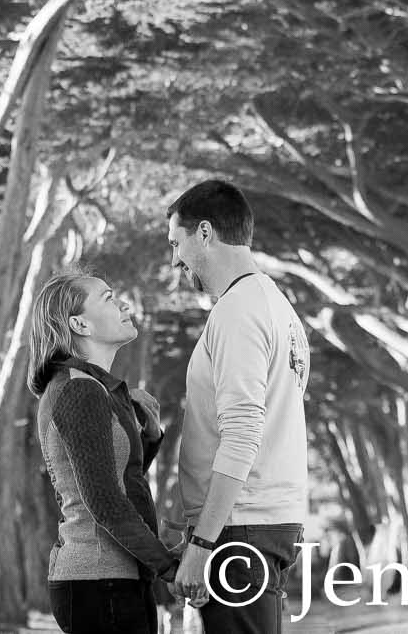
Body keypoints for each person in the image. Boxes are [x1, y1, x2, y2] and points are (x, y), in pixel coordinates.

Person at [163, 180, 309, 634]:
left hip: (238, 530)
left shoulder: (237, 312)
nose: (175, 260)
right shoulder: (279, 308)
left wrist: (203, 543)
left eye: (177, 243)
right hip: (263, 525)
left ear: (204, 233)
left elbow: (244, 434)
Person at [28, 270, 178, 634]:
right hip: (99, 584)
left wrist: (150, 436)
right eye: (108, 298)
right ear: (79, 324)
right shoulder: (80, 391)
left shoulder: (92, 388)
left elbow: (113, 478)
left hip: (114, 580)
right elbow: (105, 501)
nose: (124, 304)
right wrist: (169, 568)